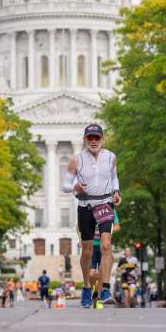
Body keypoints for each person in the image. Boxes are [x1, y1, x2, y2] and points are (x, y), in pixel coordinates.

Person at [62, 123, 121, 307]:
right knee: (87, 251)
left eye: (97, 137)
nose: (94, 141)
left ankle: (104, 288)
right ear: (85, 140)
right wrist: (75, 187)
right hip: (85, 205)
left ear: (102, 139)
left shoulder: (111, 157)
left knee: (105, 246)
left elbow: (113, 177)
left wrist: (117, 191)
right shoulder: (76, 160)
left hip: (105, 203)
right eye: (90, 138)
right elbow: (65, 186)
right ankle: (87, 288)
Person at [90, 209, 121, 307]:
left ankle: (98, 297)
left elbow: (117, 226)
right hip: (91, 246)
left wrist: (107, 232)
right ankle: (93, 289)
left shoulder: (110, 209)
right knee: (91, 275)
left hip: (103, 246)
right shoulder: (89, 207)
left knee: (101, 273)